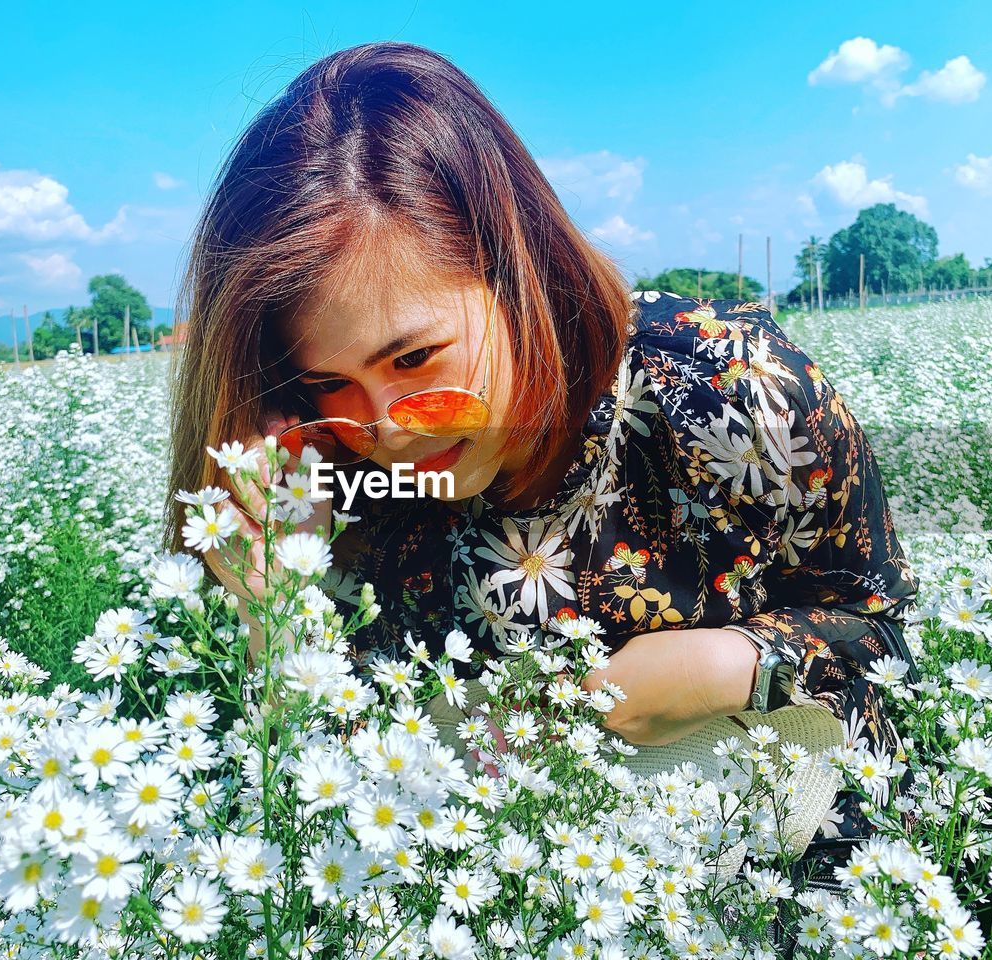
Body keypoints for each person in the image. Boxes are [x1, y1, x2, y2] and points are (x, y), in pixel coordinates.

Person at [164, 40, 920, 844]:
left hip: (795, 862)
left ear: (518, 270)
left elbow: (880, 636)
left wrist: (721, 668)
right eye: (330, 384)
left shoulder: (728, 386)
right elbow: (324, 818)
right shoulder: (324, 478)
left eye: (416, 358)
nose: (386, 427)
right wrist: (274, 614)